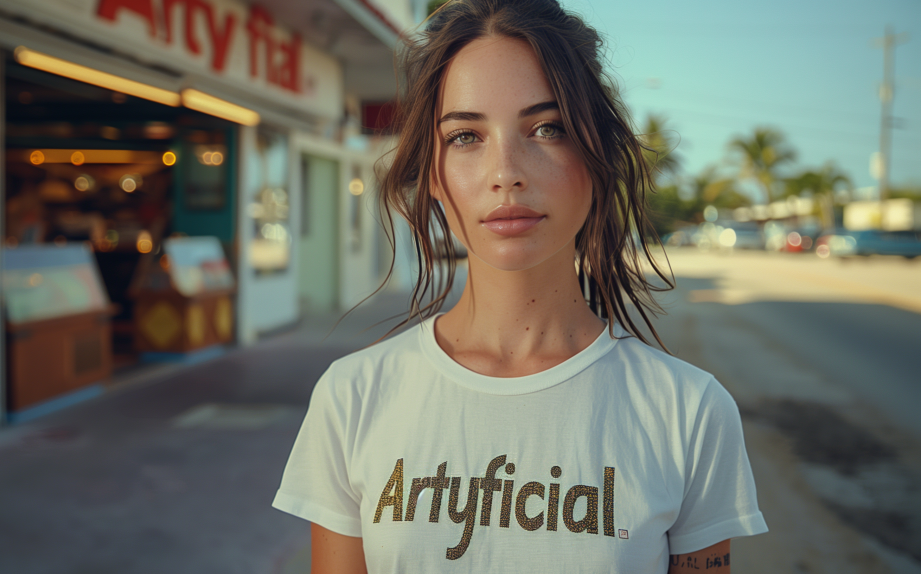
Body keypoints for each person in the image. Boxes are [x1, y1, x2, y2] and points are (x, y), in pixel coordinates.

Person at [272, 0, 767, 572]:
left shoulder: (689, 412)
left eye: (547, 128)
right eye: (465, 136)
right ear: (432, 172)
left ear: (597, 155)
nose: (506, 171)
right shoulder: (352, 396)